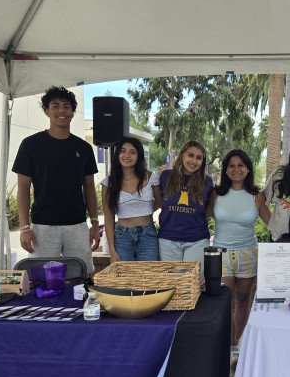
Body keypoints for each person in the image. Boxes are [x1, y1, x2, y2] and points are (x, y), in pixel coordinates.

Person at [12, 86, 99, 275]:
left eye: (67, 106)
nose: (61, 111)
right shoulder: (31, 145)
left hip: (77, 225)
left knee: (82, 276)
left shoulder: (83, 148)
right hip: (43, 226)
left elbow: (90, 188)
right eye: (55, 106)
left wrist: (94, 224)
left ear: (73, 112)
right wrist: (24, 227)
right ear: (46, 110)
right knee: (40, 279)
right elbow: (23, 189)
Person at [208, 149, 270, 350]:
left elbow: (272, 223)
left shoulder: (257, 196)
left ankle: (237, 345)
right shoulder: (216, 194)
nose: (236, 169)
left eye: (241, 165)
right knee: (225, 301)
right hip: (221, 253)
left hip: (248, 254)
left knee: (243, 300)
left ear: (248, 169)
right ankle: (226, 343)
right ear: (225, 170)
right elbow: (201, 216)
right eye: (231, 165)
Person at [153, 140, 213, 274]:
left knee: (192, 284)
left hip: (197, 240)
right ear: (182, 155)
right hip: (168, 240)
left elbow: (209, 210)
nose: (194, 161)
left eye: (199, 158)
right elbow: (158, 202)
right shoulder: (166, 176)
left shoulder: (207, 181)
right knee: (172, 285)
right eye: (190, 155)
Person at [101, 137, 160, 261]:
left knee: (148, 277)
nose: (127, 155)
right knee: (125, 278)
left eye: (132, 152)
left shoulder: (150, 178)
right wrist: (111, 249)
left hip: (148, 235)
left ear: (139, 156)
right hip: (122, 237)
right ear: (118, 154)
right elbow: (108, 217)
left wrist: (144, 211)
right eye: (123, 151)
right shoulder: (109, 183)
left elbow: (160, 202)